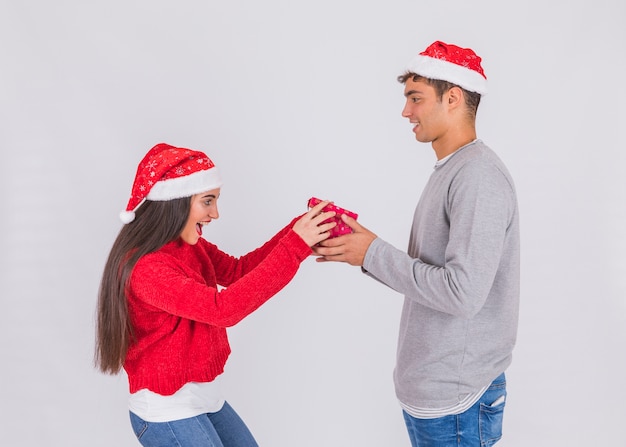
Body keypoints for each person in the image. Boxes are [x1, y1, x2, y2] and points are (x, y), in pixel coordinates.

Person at [314, 41, 520, 446]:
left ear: (453, 98)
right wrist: (366, 250)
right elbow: (432, 275)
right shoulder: (453, 170)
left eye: (416, 98)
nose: (405, 111)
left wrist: (372, 253)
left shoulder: (478, 177)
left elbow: (463, 294)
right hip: (440, 396)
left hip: (458, 402)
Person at [95, 142, 336, 447]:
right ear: (176, 202)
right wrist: (296, 245)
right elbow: (223, 309)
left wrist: (297, 232)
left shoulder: (187, 245)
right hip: (167, 413)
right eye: (207, 201)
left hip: (205, 400)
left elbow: (238, 271)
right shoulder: (147, 268)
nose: (215, 213)